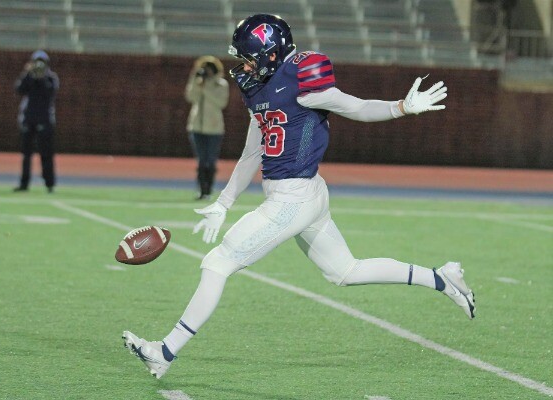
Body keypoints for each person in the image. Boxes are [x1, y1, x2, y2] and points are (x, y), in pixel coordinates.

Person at [123, 14, 475, 379]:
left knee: (217, 262)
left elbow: (353, 106)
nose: (242, 66)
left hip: (293, 198)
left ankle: (164, 352)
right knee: (345, 271)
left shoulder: (304, 76)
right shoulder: (259, 89)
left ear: (270, 54)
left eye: (247, 57)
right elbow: (252, 153)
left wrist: (399, 107)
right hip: (303, 194)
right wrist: (223, 202)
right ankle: (441, 278)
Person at [13, 50, 59, 193]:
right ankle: (24, 183)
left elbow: (50, 92)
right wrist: (29, 74)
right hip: (29, 119)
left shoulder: (51, 78)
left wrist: (42, 77)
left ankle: (49, 183)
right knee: (26, 154)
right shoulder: (28, 77)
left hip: (45, 120)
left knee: (46, 153)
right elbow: (19, 89)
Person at [185, 55, 229, 200]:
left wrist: (206, 88)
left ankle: (208, 189)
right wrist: (194, 79)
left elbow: (221, 102)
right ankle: (201, 190)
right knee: (201, 160)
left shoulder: (221, 84)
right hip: (197, 126)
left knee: (210, 160)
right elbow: (191, 97)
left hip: (214, 128)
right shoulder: (198, 82)